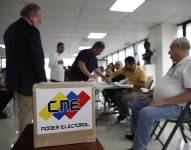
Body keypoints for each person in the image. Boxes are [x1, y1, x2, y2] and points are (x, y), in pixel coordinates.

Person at [126, 37, 191, 150]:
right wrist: (149, 94)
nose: (169, 53)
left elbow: (189, 94)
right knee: (136, 104)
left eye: (170, 50)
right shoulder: (176, 65)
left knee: (146, 113)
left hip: (177, 107)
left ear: (179, 48)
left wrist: (161, 101)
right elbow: (165, 85)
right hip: (163, 102)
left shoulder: (189, 64)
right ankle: (137, 135)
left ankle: (139, 148)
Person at [4, 3, 47, 132]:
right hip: (28, 83)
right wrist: (43, 81)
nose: (40, 21)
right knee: (27, 117)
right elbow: (37, 59)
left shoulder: (10, 29)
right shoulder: (31, 31)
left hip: (15, 82)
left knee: (24, 114)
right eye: (39, 18)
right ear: (32, 16)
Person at [105, 56, 147, 121]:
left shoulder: (140, 71)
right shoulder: (126, 69)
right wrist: (110, 78)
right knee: (116, 95)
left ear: (133, 64)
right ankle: (122, 114)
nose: (126, 66)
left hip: (138, 91)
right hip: (129, 89)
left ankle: (127, 115)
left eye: (127, 64)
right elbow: (116, 73)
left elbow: (143, 84)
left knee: (124, 98)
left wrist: (131, 82)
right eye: (125, 64)